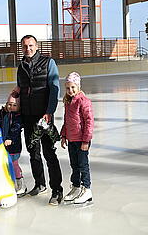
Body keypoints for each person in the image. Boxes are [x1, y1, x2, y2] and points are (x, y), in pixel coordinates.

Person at [16, 35, 63, 205]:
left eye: (31, 45)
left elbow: (54, 88)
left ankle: (57, 190)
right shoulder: (21, 67)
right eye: (25, 46)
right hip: (28, 116)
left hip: (44, 116)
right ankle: (40, 184)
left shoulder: (48, 62)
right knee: (33, 153)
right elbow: (21, 90)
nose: (28, 48)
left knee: (49, 153)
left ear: (36, 46)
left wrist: (49, 112)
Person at [60, 72, 94, 204]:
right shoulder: (68, 101)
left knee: (83, 165)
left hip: (81, 140)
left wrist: (86, 140)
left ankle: (87, 189)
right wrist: (63, 135)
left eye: (73, 87)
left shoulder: (83, 101)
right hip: (71, 139)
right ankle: (76, 187)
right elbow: (67, 121)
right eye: (68, 88)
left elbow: (89, 122)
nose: (70, 90)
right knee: (74, 165)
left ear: (78, 86)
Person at [0, 92, 27, 197]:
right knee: (4, 165)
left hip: (13, 147)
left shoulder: (18, 117)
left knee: (14, 165)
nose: (11, 107)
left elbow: (15, 129)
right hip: (3, 145)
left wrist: (10, 139)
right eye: (9, 104)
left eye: (14, 105)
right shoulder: (3, 113)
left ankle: (21, 185)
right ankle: (7, 184)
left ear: (19, 106)